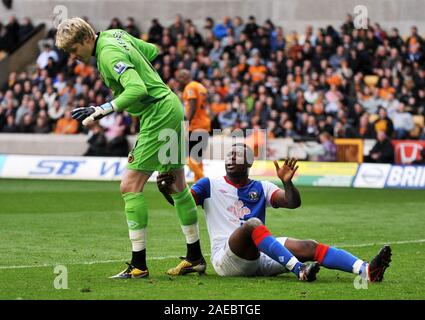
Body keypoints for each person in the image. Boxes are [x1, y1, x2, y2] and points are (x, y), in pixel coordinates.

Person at [55, 17, 206, 279]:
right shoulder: (115, 34)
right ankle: (195, 257)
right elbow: (152, 51)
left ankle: (139, 265)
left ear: (86, 39)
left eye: (73, 49)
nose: (72, 56)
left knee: (129, 186)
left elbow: (137, 88)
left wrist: (101, 109)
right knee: (177, 186)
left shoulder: (107, 53)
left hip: (157, 113)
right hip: (170, 105)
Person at [157, 144, 392, 283]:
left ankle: (366, 270)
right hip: (226, 260)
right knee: (252, 224)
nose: (230, 160)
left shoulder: (262, 187)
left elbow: (292, 203)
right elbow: (184, 204)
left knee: (309, 246)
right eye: (228, 156)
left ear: (249, 162)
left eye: (237, 157)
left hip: (259, 256)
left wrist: (288, 184)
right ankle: (299, 270)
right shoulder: (209, 184)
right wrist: (168, 191)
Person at [176, 69, 211, 182]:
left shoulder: (190, 87)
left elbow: (193, 104)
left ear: (184, 78)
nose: (178, 82)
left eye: (179, 79)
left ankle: (203, 179)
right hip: (204, 124)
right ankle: (199, 182)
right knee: (197, 158)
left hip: (194, 126)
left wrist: (186, 123)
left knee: (184, 156)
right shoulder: (200, 86)